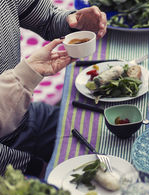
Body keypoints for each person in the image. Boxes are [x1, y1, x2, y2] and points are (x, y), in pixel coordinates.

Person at [0, 0, 107, 178]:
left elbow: (48, 18)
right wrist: (36, 168)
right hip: (6, 159)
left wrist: (75, 22)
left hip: (26, 117)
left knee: (100, 130)